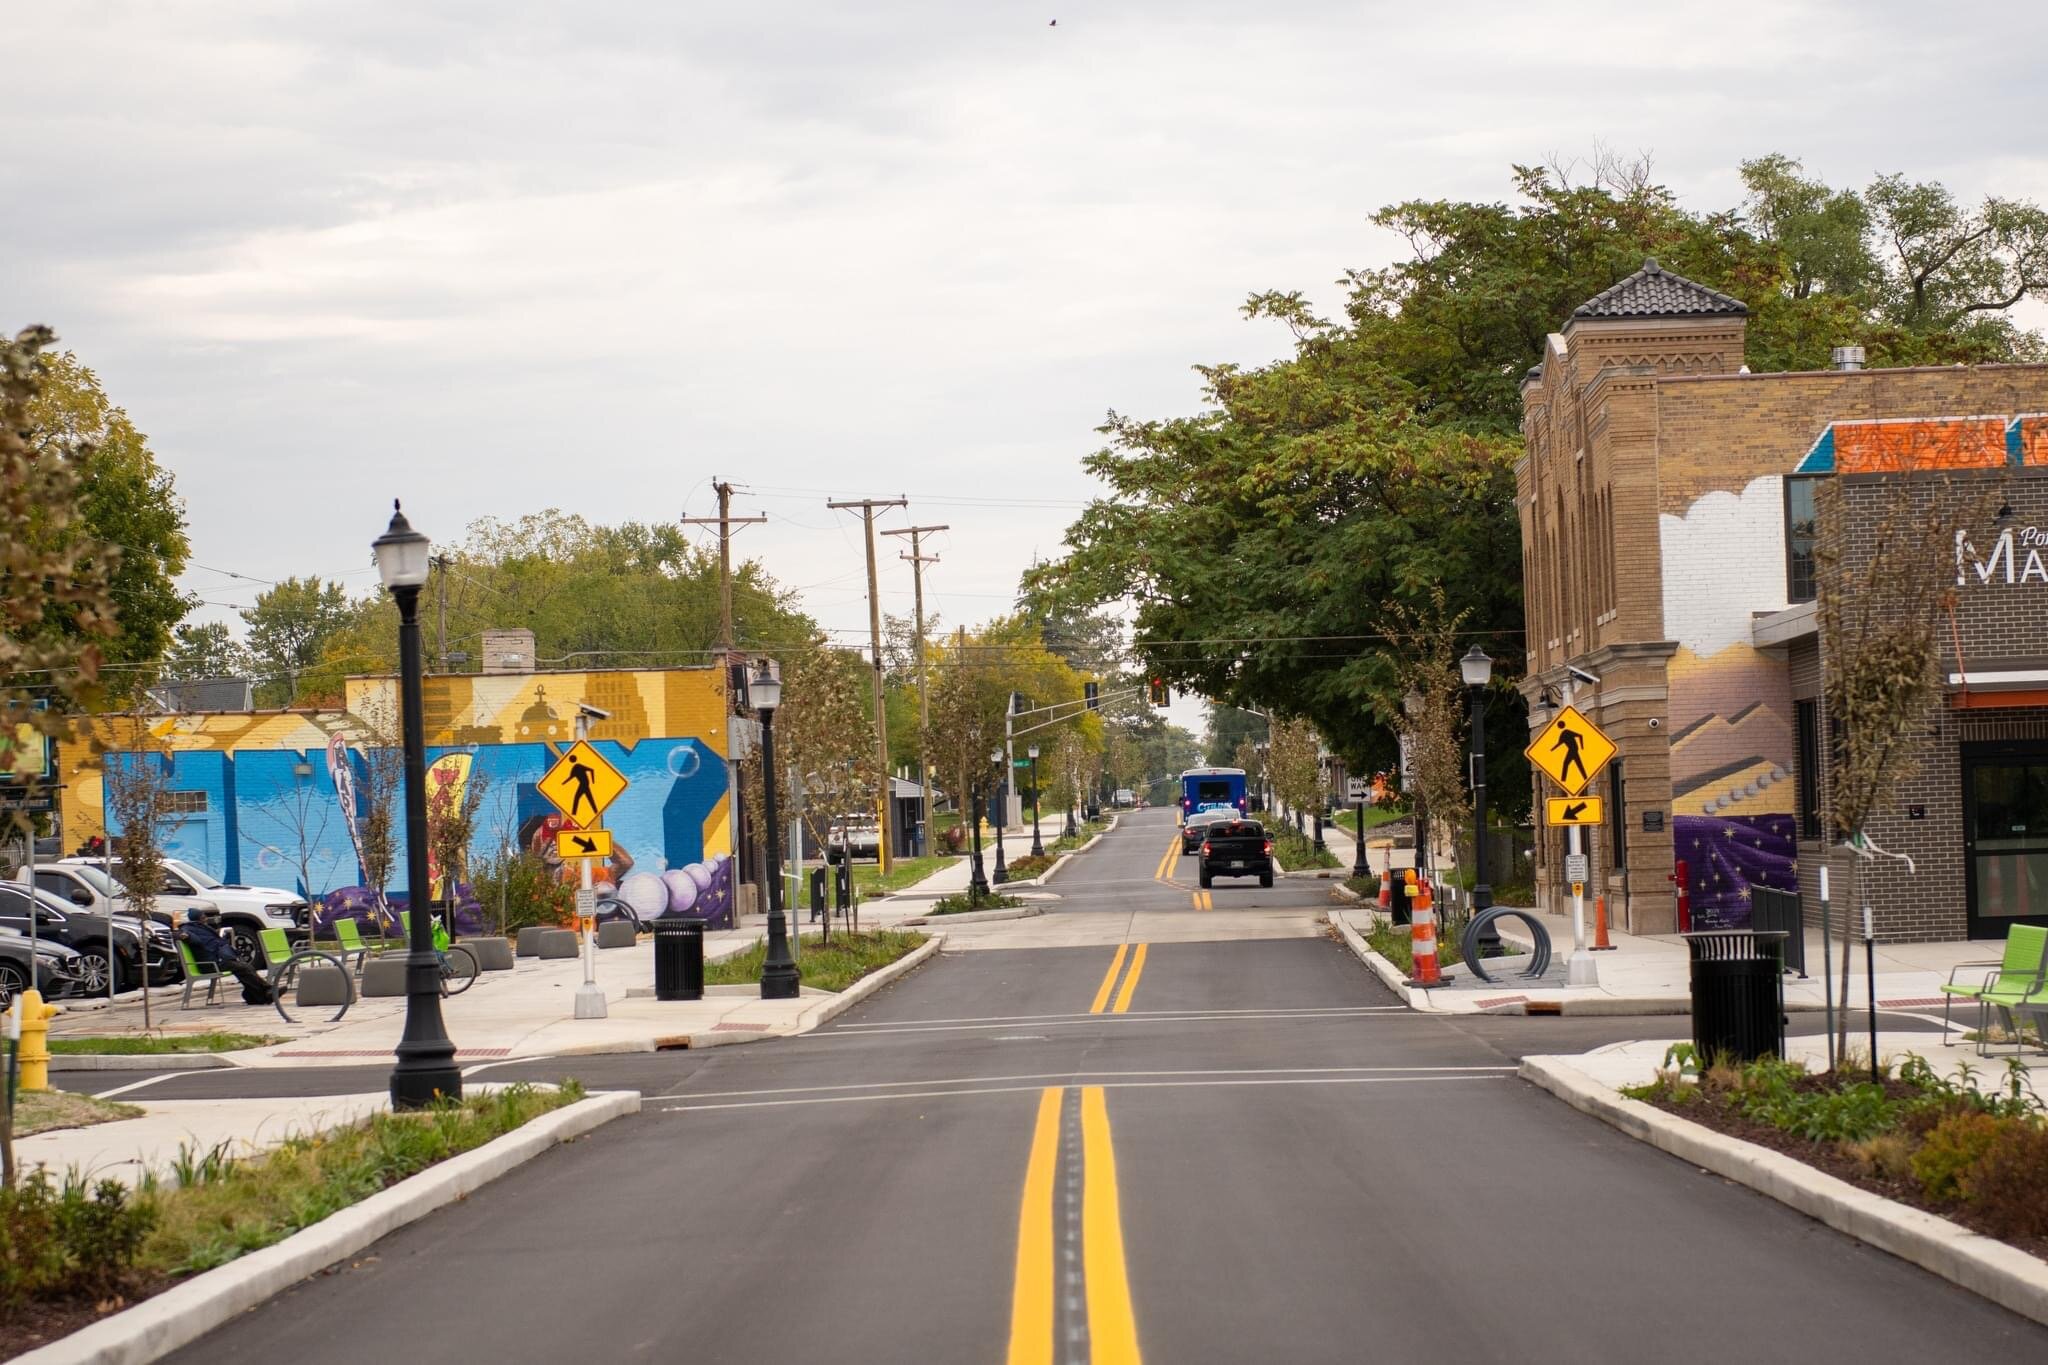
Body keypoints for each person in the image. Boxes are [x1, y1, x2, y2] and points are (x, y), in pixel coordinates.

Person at [178, 907, 273, 1005]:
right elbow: (192, 938)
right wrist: (186, 936)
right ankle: (267, 991)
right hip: (211, 964)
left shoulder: (201, 927)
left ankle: (253, 995)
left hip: (218, 959)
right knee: (243, 967)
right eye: (203, 917)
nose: (205, 919)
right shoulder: (188, 929)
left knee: (245, 967)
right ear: (198, 918)